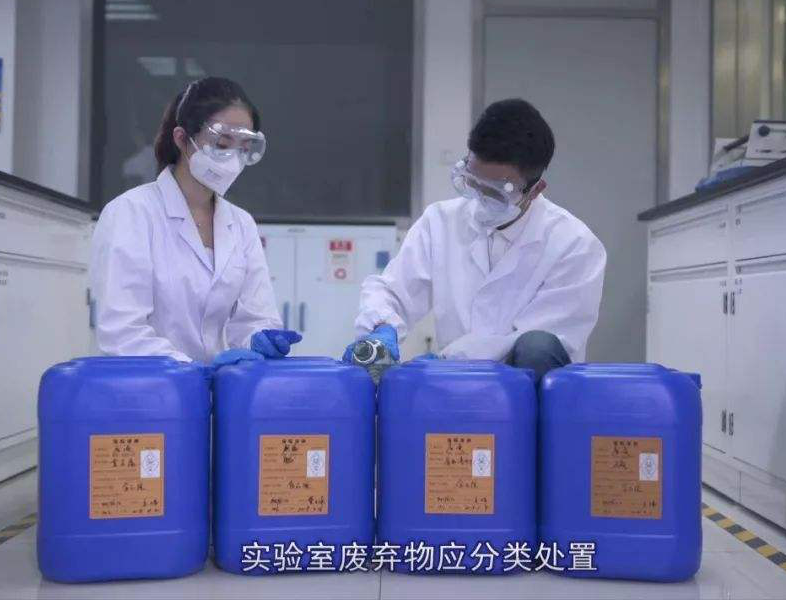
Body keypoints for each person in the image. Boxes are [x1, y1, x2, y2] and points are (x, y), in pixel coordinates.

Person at [344, 99, 606, 382]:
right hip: (454, 387)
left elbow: (534, 341)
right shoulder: (440, 221)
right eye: (471, 181)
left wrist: (446, 361)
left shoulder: (574, 245)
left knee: (537, 347)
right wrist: (382, 329)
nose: (479, 198)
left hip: (530, 390)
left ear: (535, 190)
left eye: (495, 193)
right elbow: (393, 290)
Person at [90, 77, 301, 365]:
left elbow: (254, 317)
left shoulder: (241, 224)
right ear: (181, 139)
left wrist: (258, 339)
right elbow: (122, 334)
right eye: (222, 144)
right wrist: (195, 371)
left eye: (243, 148)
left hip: (220, 388)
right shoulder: (131, 213)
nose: (233, 159)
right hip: (150, 387)